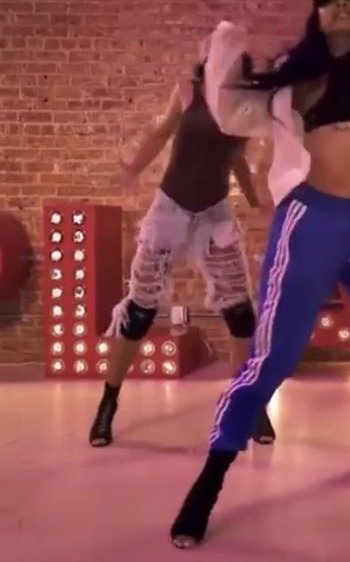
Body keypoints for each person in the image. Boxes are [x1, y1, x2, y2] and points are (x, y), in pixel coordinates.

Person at [168, 0, 350, 549]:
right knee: (273, 359)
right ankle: (209, 481)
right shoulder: (298, 82)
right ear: (318, 17)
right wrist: (230, 39)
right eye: (330, 0)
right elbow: (228, 109)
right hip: (314, 222)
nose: (342, 5)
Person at [88, 45, 275, 448]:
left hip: (214, 213)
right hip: (170, 208)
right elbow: (161, 132)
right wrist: (133, 169)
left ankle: (249, 404)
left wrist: (258, 203)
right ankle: (108, 404)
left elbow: (239, 162)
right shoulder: (188, 92)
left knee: (240, 313)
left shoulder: (243, 108)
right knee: (139, 312)